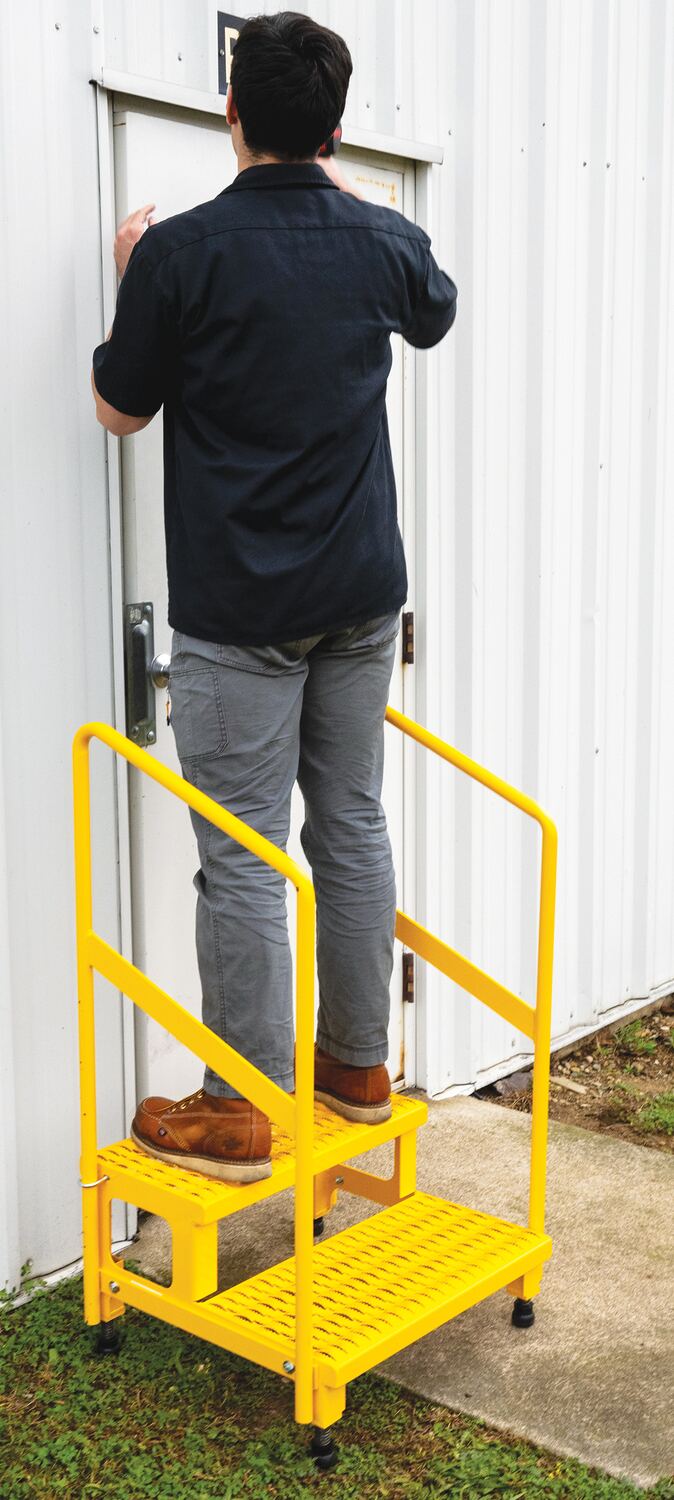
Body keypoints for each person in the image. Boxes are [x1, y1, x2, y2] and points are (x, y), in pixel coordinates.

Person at [91, 11, 457, 1184]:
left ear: (231, 111)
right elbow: (434, 309)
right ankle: (355, 1068)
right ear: (335, 128)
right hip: (361, 597)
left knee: (245, 852)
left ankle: (239, 1112)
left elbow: (119, 410)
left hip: (241, 614)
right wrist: (337, 195)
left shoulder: (179, 253)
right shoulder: (381, 238)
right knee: (349, 821)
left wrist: (134, 283)